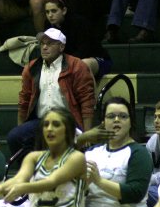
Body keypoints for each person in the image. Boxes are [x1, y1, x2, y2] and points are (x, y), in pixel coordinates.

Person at [8, 28, 95, 158]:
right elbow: (24, 100)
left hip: (69, 121)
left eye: (50, 44)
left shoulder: (77, 66)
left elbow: (86, 100)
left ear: (61, 47)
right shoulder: (32, 68)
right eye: (42, 43)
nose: (44, 47)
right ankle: (31, 171)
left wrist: (87, 133)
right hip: (41, 120)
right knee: (15, 137)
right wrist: (21, 127)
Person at [43, 0, 112, 81]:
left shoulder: (79, 23)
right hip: (68, 63)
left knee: (82, 65)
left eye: (54, 11)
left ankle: (89, 94)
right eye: (47, 12)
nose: (50, 15)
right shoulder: (48, 26)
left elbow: (85, 50)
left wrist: (63, 63)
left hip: (96, 59)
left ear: (64, 10)